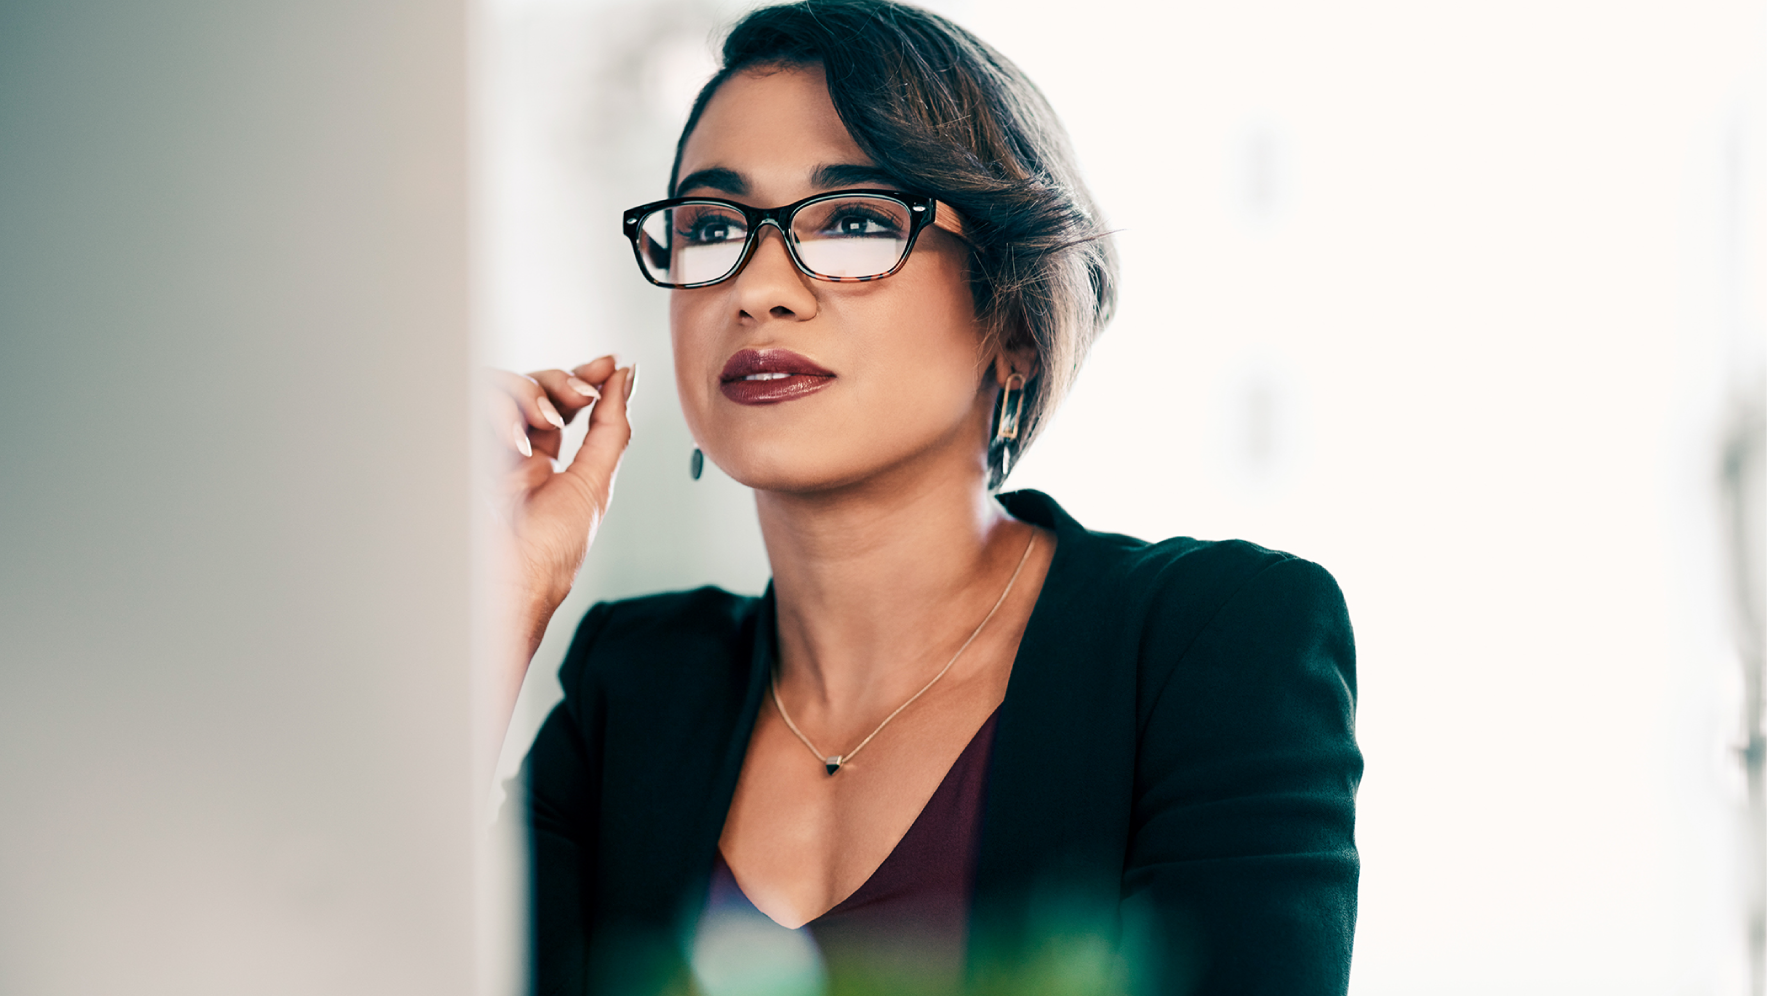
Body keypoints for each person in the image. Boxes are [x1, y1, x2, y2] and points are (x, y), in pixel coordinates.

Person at [482, 2, 1361, 993]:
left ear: (1014, 323)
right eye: (713, 227)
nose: (759, 287)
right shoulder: (633, 687)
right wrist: (496, 607)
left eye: (854, 221)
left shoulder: (1215, 642)